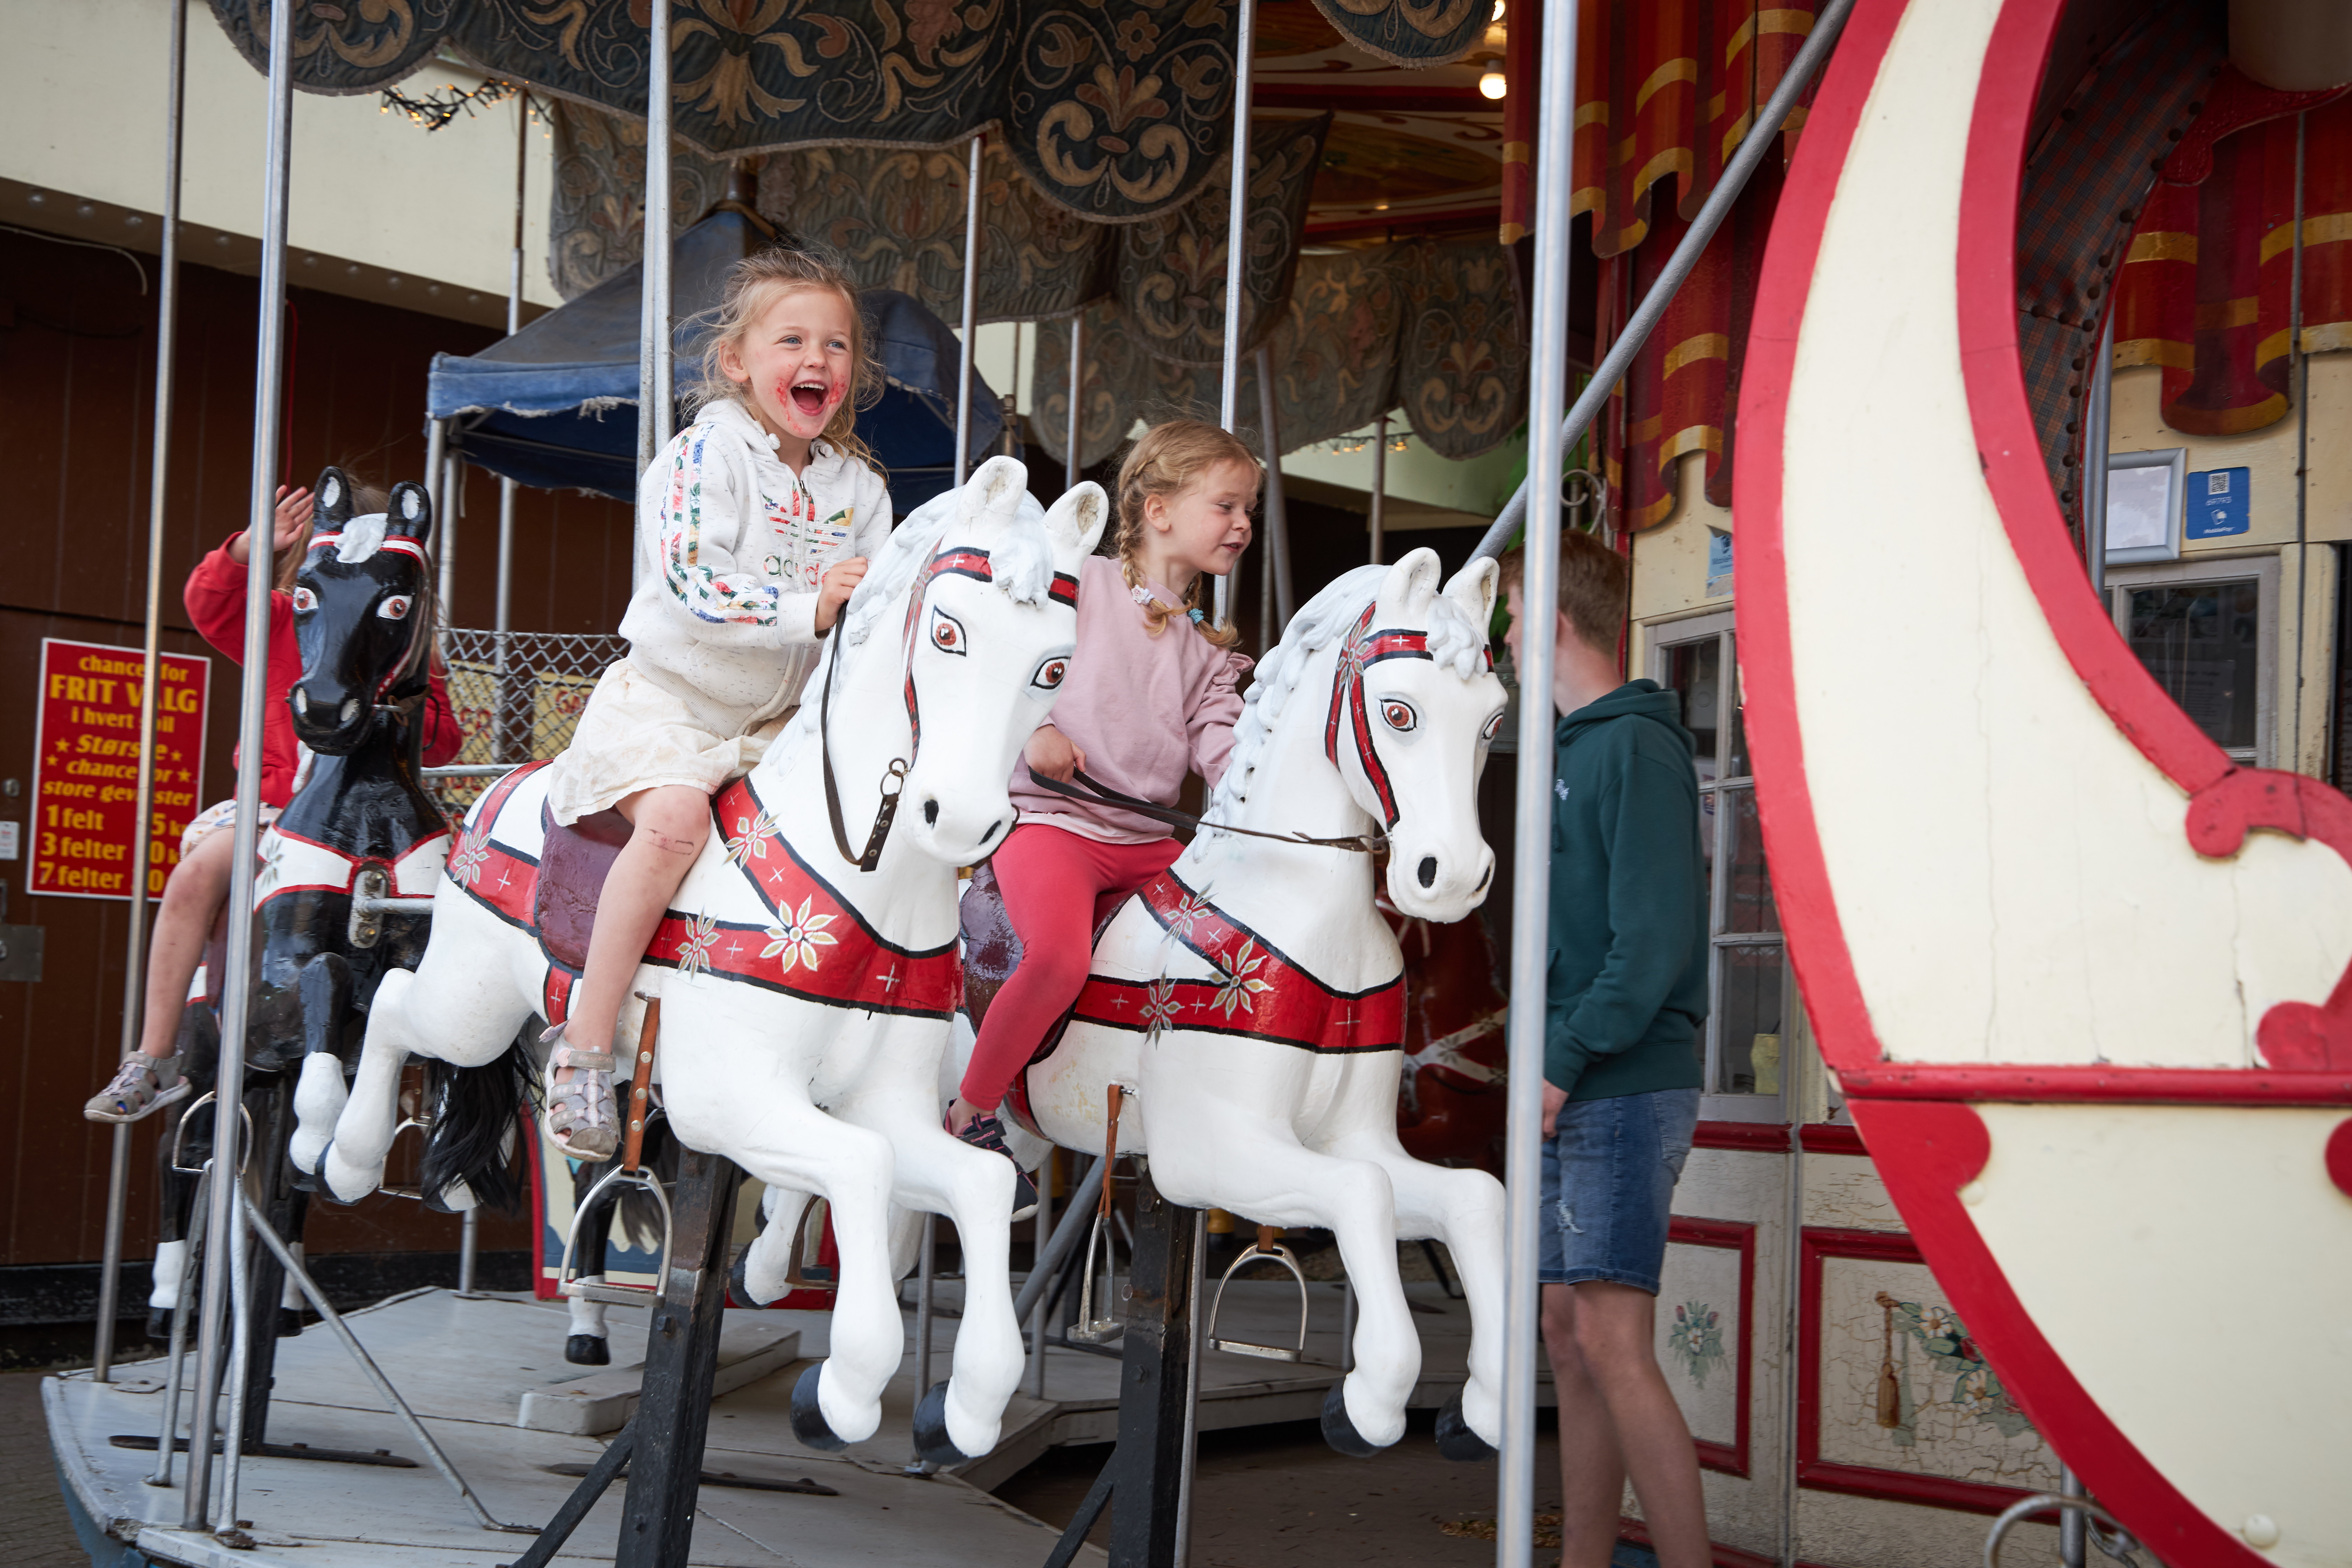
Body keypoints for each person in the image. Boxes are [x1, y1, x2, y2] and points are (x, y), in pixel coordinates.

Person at [536, 247, 892, 1160]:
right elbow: (695, 582)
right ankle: (584, 1047)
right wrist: (806, 605)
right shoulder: (704, 455)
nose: (819, 359)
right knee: (673, 823)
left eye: (838, 344)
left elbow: (883, 614)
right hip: (674, 706)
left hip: (781, 731)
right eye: (794, 340)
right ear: (738, 362)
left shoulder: (861, 488)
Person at [945, 419, 1255, 1210]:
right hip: (1055, 825)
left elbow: (1222, 754)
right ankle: (973, 1110)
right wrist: (1035, 726)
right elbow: (1006, 659)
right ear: (1158, 509)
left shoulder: (1208, 648)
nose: (1242, 523)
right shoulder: (1076, 582)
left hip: (1148, 842)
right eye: (1225, 505)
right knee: (1055, 957)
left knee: (1234, 950)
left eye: (1247, 508)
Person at [86, 479, 464, 1122]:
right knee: (196, 877)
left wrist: (399, 702)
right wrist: (246, 549)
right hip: (276, 809)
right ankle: (154, 1056)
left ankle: (452, 1053)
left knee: (459, 885)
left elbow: (445, 738)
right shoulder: (284, 618)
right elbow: (210, 603)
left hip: (368, 815)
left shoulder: (405, 646)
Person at [1497, 528, 1710, 1568]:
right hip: (1571, 1077)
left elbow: (1655, 941)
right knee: (1566, 1337)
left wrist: (1560, 1061)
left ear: (1552, 620)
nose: (1503, 638)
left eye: (1511, 616)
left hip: (1616, 1082)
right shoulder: (1568, 747)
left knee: (1614, 1345)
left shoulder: (1635, 744)